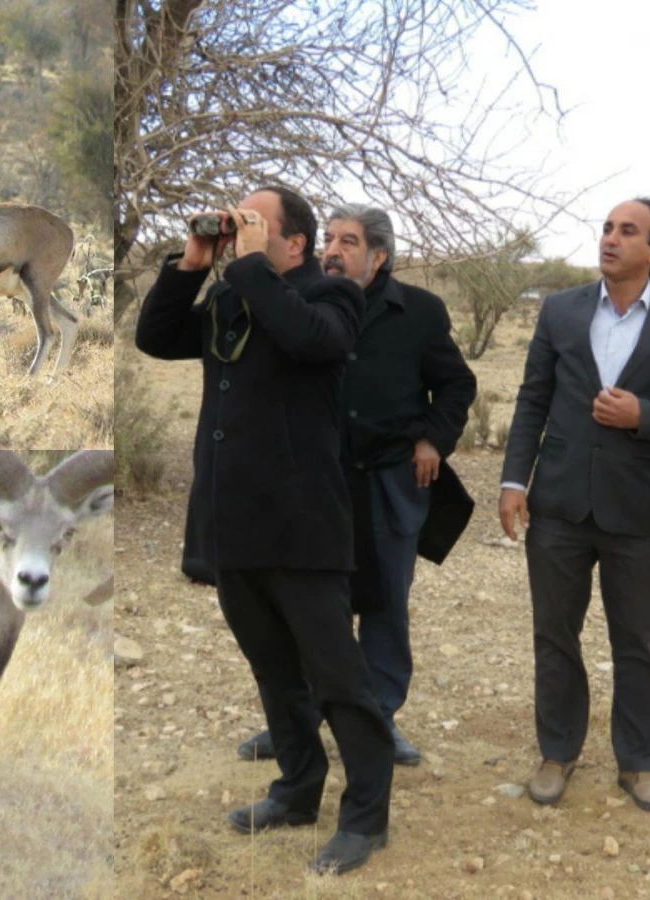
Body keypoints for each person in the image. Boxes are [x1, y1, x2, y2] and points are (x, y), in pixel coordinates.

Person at [135, 185, 394, 875]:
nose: (240, 233)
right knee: (276, 674)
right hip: (234, 523)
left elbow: (312, 341)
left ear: (295, 243)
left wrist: (247, 268)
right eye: (236, 221)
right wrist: (193, 262)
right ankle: (297, 791)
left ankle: (365, 819)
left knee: (339, 681)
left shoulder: (333, 296)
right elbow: (155, 337)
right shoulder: (232, 293)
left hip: (303, 526)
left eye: (254, 223)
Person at [237, 204, 476, 766]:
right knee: (308, 605)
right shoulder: (305, 300)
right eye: (330, 240)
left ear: (379, 256)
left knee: (386, 602)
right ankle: (297, 722)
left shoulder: (418, 311)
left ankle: (380, 719)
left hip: (391, 478)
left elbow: (457, 384)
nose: (333, 251)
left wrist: (433, 441)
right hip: (317, 476)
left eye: (349, 242)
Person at [499, 198, 650, 811]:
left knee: (638, 642)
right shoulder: (561, 309)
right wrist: (514, 480)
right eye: (607, 229)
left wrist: (642, 415)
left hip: (642, 510)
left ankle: (641, 761)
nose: (611, 239)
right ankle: (557, 751)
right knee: (555, 636)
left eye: (628, 231)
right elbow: (531, 398)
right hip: (561, 504)